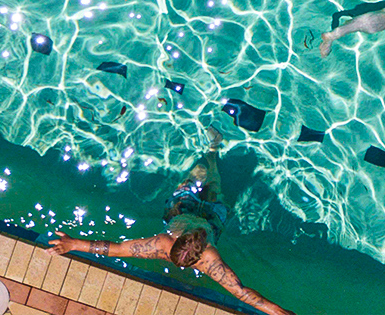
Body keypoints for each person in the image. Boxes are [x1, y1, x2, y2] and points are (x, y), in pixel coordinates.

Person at [47, 127, 295, 315]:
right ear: (175, 242)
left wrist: (281, 313)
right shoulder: (163, 244)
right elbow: (120, 249)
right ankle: (207, 157)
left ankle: (213, 151)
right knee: (194, 178)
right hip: (183, 210)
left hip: (209, 219)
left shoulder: (210, 260)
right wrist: (74, 244)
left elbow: (243, 293)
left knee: (214, 185)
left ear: (201, 253)